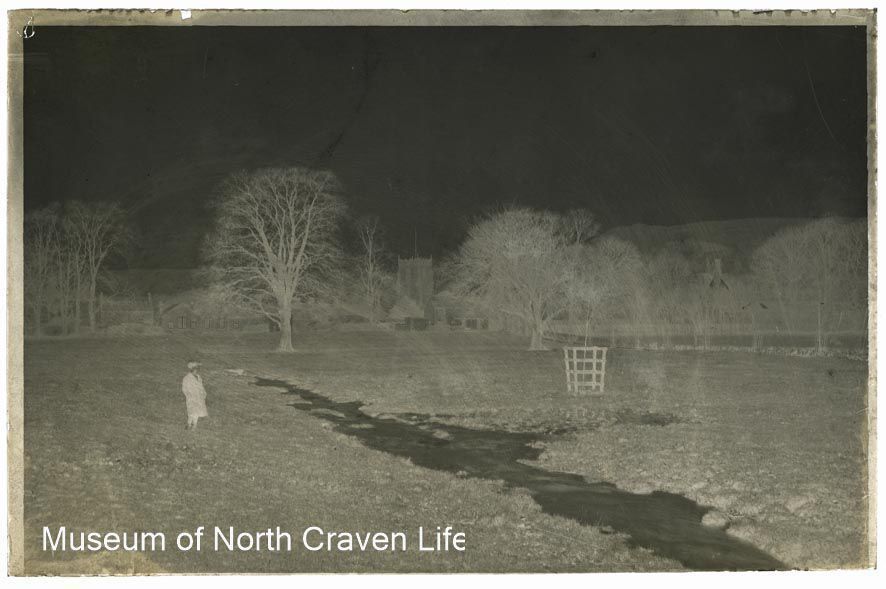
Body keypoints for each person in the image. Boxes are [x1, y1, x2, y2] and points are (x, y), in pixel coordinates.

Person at [182, 361, 209, 430]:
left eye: (197, 369)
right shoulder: (187, 378)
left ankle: (194, 425)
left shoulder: (198, 377)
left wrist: (203, 393)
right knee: (191, 410)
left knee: (197, 410)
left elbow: (201, 386)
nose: (196, 370)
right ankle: (189, 423)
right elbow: (184, 388)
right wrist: (188, 394)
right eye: (195, 369)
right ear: (192, 369)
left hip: (198, 396)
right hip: (191, 397)